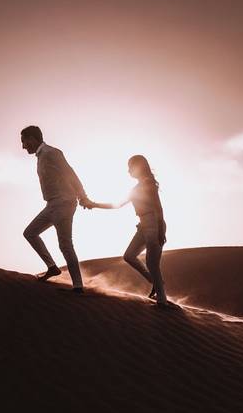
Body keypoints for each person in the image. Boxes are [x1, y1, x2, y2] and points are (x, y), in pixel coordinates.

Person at [84, 155, 169, 306]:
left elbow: (158, 207)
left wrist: (160, 230)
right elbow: (117, 205)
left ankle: (162, 301)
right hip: (143, 225)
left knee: (152, 263)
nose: (128, 170)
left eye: (131, 166)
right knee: (129, 255)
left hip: (153, 223)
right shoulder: (135, 189)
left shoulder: (148, 183)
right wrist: (93, 204)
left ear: (139, 167)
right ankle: (155, 281)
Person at [20, 125, 89, 291]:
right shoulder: (41, 156)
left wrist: (82, 195)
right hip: (52, 204)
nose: (23, 146)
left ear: (33, 138)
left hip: (63, 202)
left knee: (65, 245)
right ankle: (52, 267)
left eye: (24, 141)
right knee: (30, 233)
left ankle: (78, 286)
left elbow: (69, 172)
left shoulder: (51, 153)